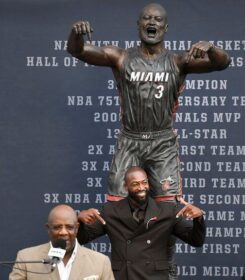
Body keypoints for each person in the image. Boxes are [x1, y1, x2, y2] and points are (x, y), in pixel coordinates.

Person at [67, 3, 231, 202]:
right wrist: (76, 34)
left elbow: (222, 63)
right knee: (117, 206)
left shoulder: (178, 61)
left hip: (162, 143)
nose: (152, 21)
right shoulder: (120, 57)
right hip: (130, 140)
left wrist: (211, 48)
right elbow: (78, 51)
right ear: (138, 25)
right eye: (147, 18)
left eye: (158, 19)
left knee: (169, 209)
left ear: (165, 27)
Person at [76, 166, 206, 280]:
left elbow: (196, 240)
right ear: (125, 187)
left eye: (144, 182)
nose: (141, 187)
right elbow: (82, 238)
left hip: (155, 277)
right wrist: (79, 221)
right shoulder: (110, 211)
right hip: (123, 276)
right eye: (135, 184)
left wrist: (198, 218)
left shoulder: (167, 211)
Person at [9, 204, 114, 280]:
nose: (63, 232)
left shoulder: (101, 262)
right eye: (57, 227)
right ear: (48, 228)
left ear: (77, 228)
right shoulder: (26, 258)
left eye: (69, 227)